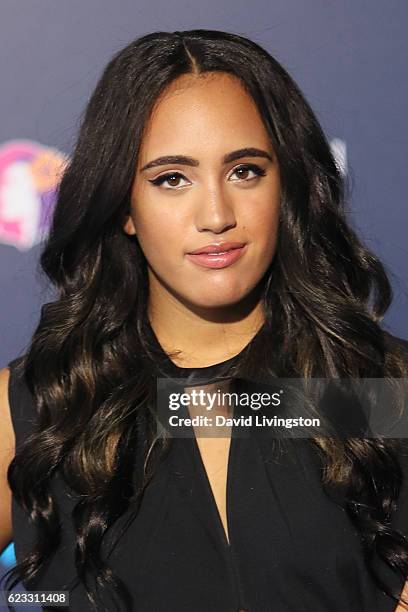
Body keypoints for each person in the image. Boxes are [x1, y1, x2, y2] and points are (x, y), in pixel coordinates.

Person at [1, 28, 408, 612]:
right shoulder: (42, 407)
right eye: (172, 178)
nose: (216, 215)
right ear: (123, 206)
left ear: (287, 185)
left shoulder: (381, 391)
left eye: (245, 170)